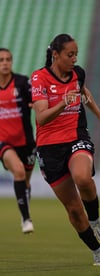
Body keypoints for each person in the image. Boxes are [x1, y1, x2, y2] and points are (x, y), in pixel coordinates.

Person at [31, 34, 100, 266]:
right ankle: (96, 250)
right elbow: (41, 118)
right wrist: (63, 102)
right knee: (73, 210)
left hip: (75, 137)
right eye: (70, 55)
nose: (74, 59)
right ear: (56, 55)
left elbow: (83, 92)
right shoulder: (39, 79)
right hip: (49, 148)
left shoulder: (77, 73)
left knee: (82, 176)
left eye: (76, 55)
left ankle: (96, 220)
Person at [0, 48, 36, 234]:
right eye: (1, 60)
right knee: (19, 172)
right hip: (4, 143)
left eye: (8, 59)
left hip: (27, 142)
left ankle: (25, 209)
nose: (5, 63)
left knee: (26, 183)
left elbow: (36, 102)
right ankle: (26, 219)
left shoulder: (22, 83)